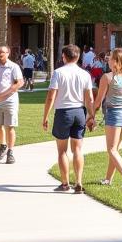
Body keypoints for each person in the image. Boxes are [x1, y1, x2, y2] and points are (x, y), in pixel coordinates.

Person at [42, 43, 95, 193]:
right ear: (78, 57)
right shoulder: (85, 74)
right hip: (79, 112)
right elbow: (89, 98)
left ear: (63, 57)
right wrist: (91, 115)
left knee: (62, 151)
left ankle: (65, 184)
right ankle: (78, 182)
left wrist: (45, 116)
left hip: (63, 112)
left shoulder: (58, 73)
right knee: (77, 149)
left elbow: (51, 96)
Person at [92, 48, 122, 189]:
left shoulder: (108, 77)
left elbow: (98, 101)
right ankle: (108, 179)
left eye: (110, 57)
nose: (108, 59)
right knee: (115, 149)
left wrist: (91, 115)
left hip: (114, 114)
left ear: (116, 61)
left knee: (111, 150)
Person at [0, 44, 24, 164]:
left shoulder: (13, 67)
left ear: (8, 53)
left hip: (10, 101)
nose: (0, 54)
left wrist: (2, 95)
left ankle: (10, 152)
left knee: (10, 127)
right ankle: (3, 145)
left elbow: (19, 83)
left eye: (2, 52)